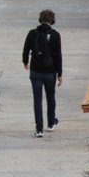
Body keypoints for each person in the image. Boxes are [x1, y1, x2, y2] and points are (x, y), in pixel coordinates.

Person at [22, 9, 63, 138]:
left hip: (35, 72)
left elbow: (26, 49)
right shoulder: (55, 35)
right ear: (52, 21)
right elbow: (58, 56)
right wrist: (60, 74)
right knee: (51, 97)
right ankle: (51, 123)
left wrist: (25, 62)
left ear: (40, 20)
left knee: (37, 100)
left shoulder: (32, 33)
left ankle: (39, 129)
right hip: (50, 72)